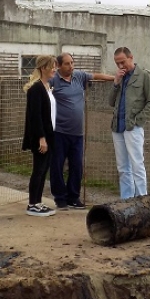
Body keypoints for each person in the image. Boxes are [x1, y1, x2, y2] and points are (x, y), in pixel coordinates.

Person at [48, 53, 114, 210]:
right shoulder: (53, 81)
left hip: (77, 133)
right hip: (59, 132)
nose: (71, 66)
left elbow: (96, 75)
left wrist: (115, 78)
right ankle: (60, 198)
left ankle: (73, 197)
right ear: (58, 66)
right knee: (57, 166)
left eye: (72, 63)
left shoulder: (78, 76)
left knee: (77, 165)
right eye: (67, 64)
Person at [109, 46, 150, 199]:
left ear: (131, 58)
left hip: (132, 127)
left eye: (123, 62)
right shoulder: (120, 77)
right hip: (117, 126)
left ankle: (142, 198)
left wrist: (138, 121)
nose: (121, 66)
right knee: (123, 167)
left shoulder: (144, 76)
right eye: (117, 63)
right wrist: (116, 82)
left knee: (137, 165)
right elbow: (110, 102)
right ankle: (126, 200)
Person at [22, 55, 58, 216]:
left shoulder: (46, 86)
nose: (54, 69)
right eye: (52, 67)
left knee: (44, 170)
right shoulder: (36, 88)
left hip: (50, 134)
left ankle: (38, 202)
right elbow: (35, 116)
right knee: (38, 169)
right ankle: (32, 204)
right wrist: (41, 138)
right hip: (41, 136)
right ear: (43, 68)